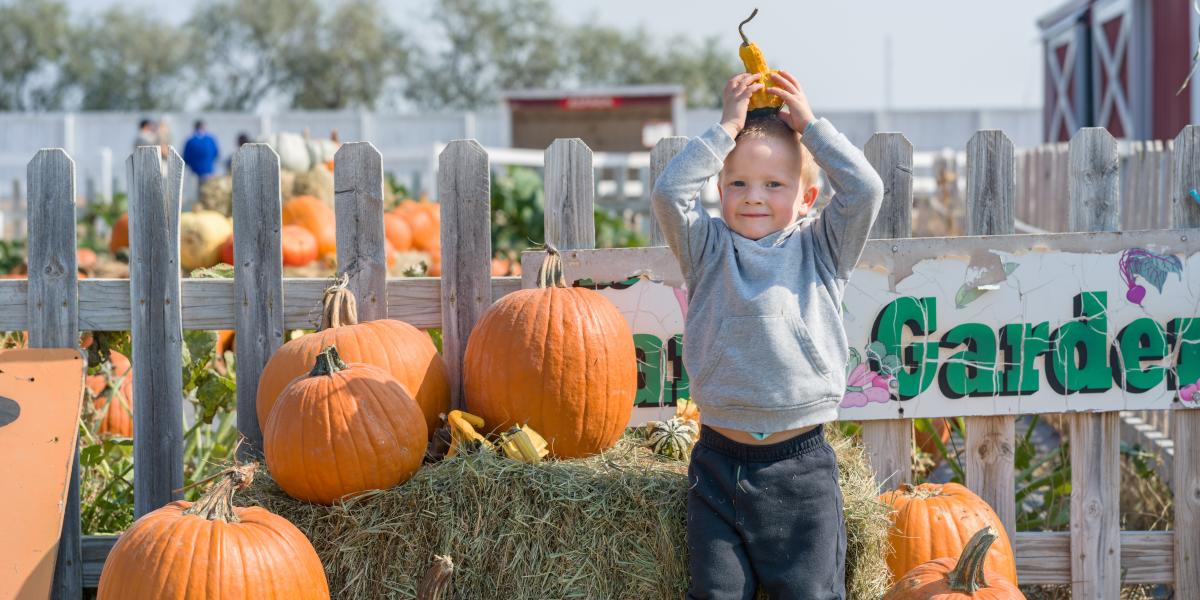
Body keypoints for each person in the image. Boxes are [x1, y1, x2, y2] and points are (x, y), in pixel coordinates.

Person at [651, 70, 883, 599]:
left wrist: (810, 127)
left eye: (774, 185)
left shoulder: (823, 249)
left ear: (807, 197)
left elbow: (867, 189)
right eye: (738, 184)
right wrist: (726, 128)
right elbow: (669, 196)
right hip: (717, 465)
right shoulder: (707, 250)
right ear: (719, 188)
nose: (754, 197)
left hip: (801, 467)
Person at [182, 120, 220, 185]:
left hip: (194, 173)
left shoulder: (190, 141)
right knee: (208, 192)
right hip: (208, 172)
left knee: (196, 193)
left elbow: (186, 158)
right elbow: (216, 154)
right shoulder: (210, 140)